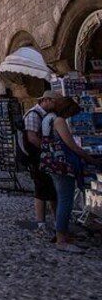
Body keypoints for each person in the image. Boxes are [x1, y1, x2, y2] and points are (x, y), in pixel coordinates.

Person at [40, 96, 101, 254]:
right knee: (66, 201)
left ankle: (63, 234)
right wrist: (90, 159)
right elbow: (72, 145)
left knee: (63, 199)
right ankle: (61, 238)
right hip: (61, 165)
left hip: (52, 163)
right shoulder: (58, 121)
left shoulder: (48, 118)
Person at [19, 90, 58, 237]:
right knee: (41, 189)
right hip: (37, 158)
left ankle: (57, 222)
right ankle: (41, 223)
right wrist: (48, 150)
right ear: (46, 100)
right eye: (54, 102)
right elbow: (32, 138)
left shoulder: (44, 115)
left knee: (52, 189)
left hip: (44, 157)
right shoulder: (34, 115)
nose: (56, 105)